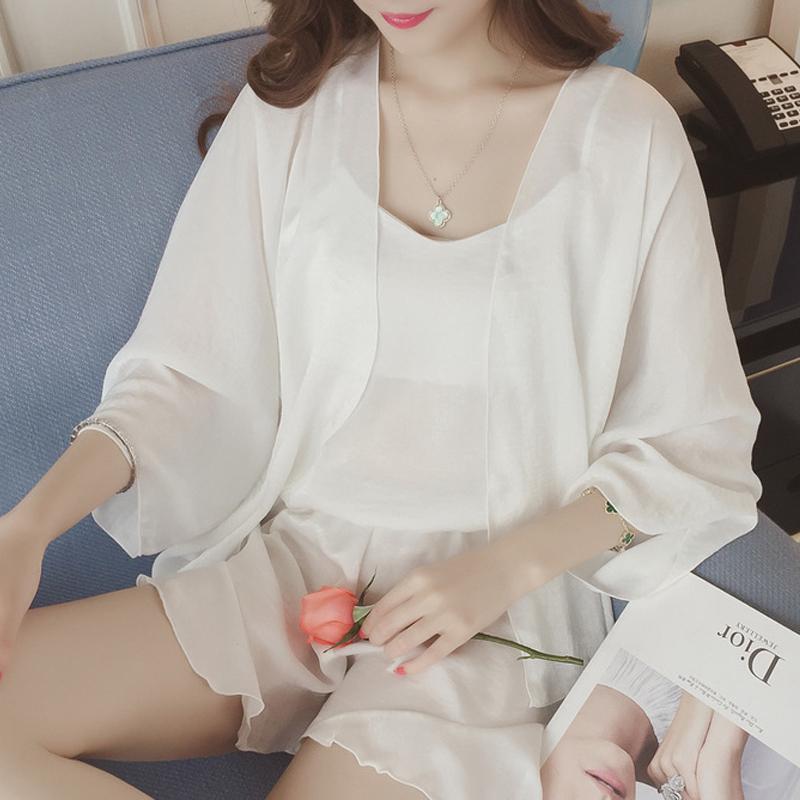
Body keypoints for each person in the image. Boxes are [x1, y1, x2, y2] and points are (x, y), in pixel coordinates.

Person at [0, 1, 763, 798]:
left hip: (489, 616)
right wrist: (29, 527)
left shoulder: (626, 136)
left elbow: (691, 448)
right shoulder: (293, 112)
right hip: (298, 569)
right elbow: (186, 379)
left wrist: (507, 568)